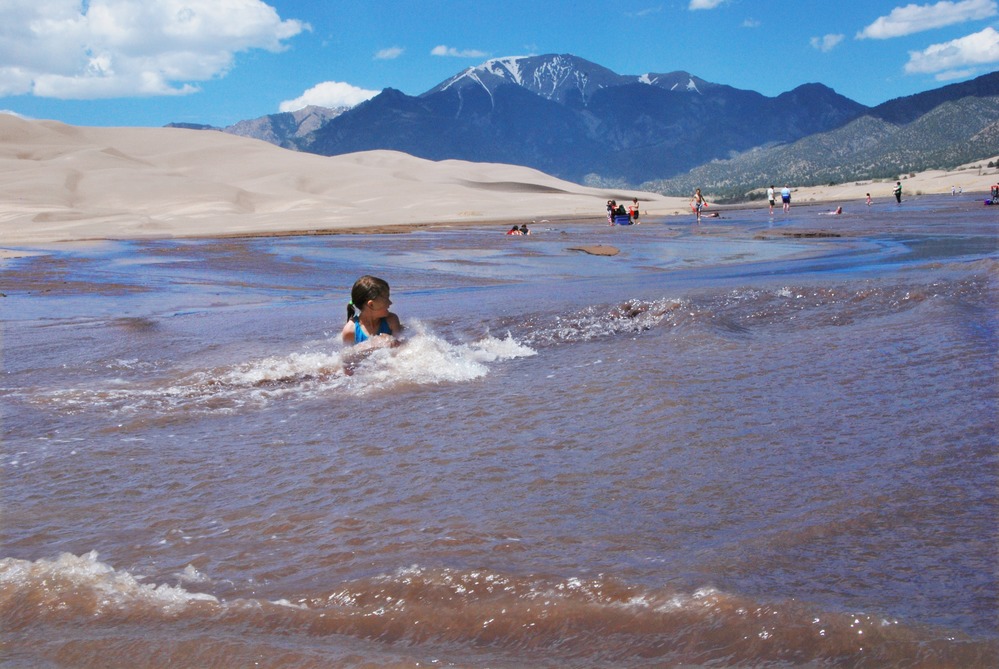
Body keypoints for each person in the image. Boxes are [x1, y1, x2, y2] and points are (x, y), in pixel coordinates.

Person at [341, 275, 403, 347]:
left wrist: (393, 341)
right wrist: (371, 345)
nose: (390, 303)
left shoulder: (392, 320)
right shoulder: (350, 331)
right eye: (386, 299)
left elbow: (402, 348)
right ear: (371, 304)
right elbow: (347, 356)